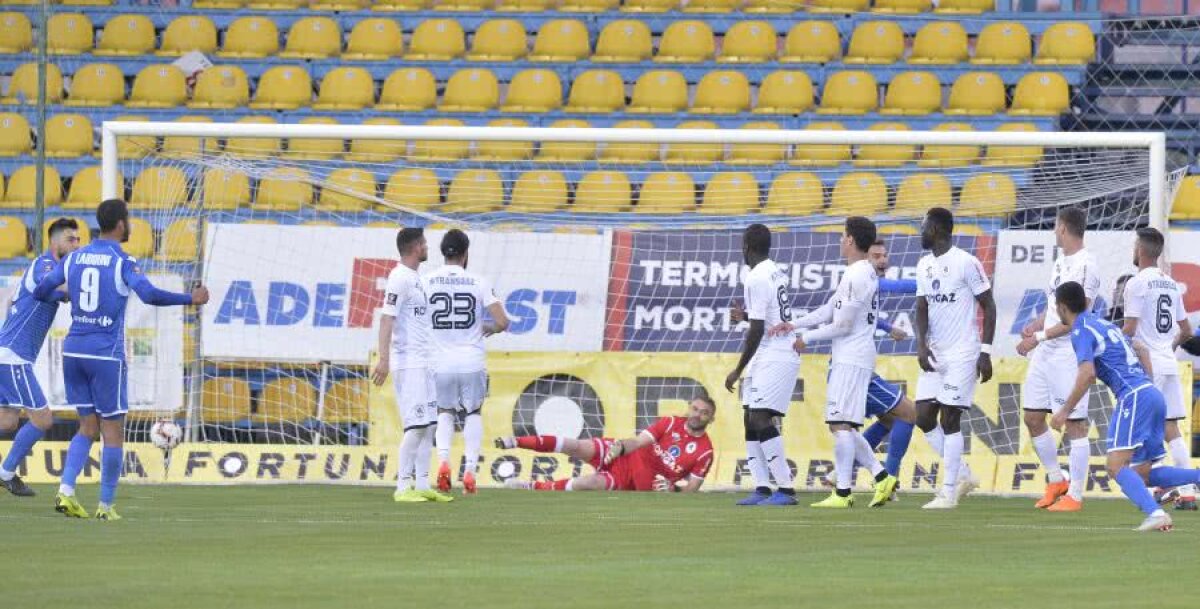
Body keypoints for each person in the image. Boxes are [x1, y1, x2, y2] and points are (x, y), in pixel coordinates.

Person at [33, 200, 208, 520]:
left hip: (73, 350)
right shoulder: (122, 261)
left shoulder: (75, 257)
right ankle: (105, 506)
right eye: (127, 220)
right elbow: (150, 295)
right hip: (104, 355)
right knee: (112, 432)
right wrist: (190, 299)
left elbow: (41, 290)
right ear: (120, 224)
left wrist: (64, 295)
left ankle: (66, 492)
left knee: (86, 427)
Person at [1051, 280, 1200, 532]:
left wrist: (1065, 410)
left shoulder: (1080, 330)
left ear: (1062, 307)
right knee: (1142, 473)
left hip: (1134, 396)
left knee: (1115, 466)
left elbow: (1087, 373)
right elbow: (1141, 349)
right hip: (1150, 393)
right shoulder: (1105, 324)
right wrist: (1147, 385)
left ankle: (1155, 513)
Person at [776, 217, 896, 509]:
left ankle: (843, 493)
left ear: (851, 240)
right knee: (844, 425)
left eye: (843, 236)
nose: (841, 241)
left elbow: (841, 325)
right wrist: (793, 324)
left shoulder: (857, 275)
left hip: (852, 356)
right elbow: (828, 309)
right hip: (853, 355)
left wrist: (807, 338)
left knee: (840, 424)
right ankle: (881, 477)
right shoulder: (859, 272)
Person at [1016, 207, 1100, 512]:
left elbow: (1077, 320)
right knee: (1032, 417)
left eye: (1055, 226)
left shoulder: (1088, 265)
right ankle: (1056, 479)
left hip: (1068, 353)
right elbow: (1056, 308)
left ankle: (1075, 496)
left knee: (1075, 425)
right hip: (1046, 351)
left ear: (1064, 228)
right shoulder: (1060, 262)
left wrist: (1036, 338)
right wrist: (1036, 324)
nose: (1054, 231)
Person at [913, 208, 997, 510]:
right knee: (922, 416)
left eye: (923, 225)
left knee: (949, 417)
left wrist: (985, 352)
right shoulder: (923, 265)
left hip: (964, 352)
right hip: (936, 352)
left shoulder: (967, 262)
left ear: (936, 228)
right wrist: (921, 345)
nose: (920, 231)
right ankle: (963, 475)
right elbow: (921, 307)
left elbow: (989, 306)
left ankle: (948, 492)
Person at [0, 218, 81, 496]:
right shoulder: (44, 266)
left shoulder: (53, 269)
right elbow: (60, 292)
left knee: (8, 422)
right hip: (14, 357)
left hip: (9, 354)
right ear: (55, 241)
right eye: (71, 239)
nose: (76, 244)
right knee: (43, 419)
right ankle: (6, 473)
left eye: (79, 240)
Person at [371, 228, 452, 504]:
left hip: (425, 361)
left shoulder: (416, 279)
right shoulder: (399, 278)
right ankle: (402, 487)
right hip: (409, 363)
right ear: (416, 247)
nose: (428, 247)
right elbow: (386, 319)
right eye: (425, 243)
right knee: (416, 426)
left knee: (429, 426)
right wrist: (384, 359)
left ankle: (422, 483)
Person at [426, 229, 509, 495]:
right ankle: (470, 471)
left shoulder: (426, 282)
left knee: (444, 413)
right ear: (466, 254)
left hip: (440, 362)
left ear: (443, 252)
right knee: (472, 413)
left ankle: (443, 463)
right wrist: (490, 328)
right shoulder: (478, 282)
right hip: (472, 361)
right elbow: (503, 322)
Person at [724, 224, 802, 506]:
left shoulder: (756, 276)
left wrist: (738, 369)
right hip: (773, 348)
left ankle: (787, 489)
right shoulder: (774, 269)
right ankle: (762, 487)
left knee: (759, 418)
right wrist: (745, 315)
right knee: (749, 418)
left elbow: (757, 330)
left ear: (746, 247)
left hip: (777, 352)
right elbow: (768, 316)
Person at [1120, 227, 1196, 510]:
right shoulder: (1170, 283)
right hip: (1168, 363)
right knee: (1171, 429)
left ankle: (1154, 488)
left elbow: (1129, 329)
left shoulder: (1136, 283)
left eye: (1134, 245)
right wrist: (1169, 349)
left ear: (1140, 250)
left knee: (1142, 432)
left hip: (1147, 366)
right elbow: (1186, 330)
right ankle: (1187, 491)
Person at [497, 396, 715, 492]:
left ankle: (532, 486)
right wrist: (620, 447)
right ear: (689, 408)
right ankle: (516, 441)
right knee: (575, 446)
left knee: (587, 483)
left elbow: (692, 489)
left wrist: (673, 490)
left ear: (710, 419)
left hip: (632, 481)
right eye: (695, 409)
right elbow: (638, 442)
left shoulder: (705, 452)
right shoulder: (670, 422)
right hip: (624, 456)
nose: (697, 415)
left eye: (704, 413)